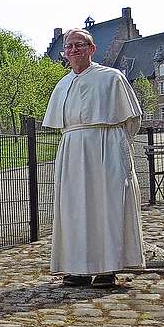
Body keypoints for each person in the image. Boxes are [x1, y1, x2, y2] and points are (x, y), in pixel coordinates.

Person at [42, 27, 144, 287]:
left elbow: (132, 119)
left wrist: (114, 146)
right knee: (75, 208)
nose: (74, 50)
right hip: (73, 149)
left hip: (106, 147)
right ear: (64, 52)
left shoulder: (112, 78)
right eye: (69, 46)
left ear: (92, 48)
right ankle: (78, 268)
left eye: (80, 45)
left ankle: (108, 269)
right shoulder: (62, 84)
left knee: (106, 206)